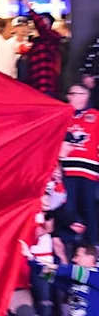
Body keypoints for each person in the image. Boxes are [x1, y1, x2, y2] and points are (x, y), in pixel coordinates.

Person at [61, 84, 99, 244]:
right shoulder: (63, 115)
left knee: (88, 207)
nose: (82, 98)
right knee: (67, 207)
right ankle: (72, 243)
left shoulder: (95, 115)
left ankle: (93, 245)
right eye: (77, 94)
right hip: (67, 170)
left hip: (89, 169)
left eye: (84, 94)